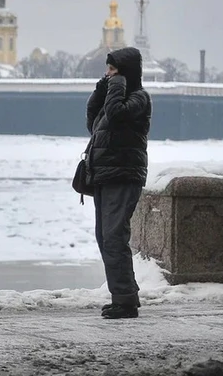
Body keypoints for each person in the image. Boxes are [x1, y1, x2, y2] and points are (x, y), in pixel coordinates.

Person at [85, 46, 152, 319]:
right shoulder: (113, 97)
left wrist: (116, 86)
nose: (108, 74)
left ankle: (124, 301)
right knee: (105, 237)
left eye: (113, 70)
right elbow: (94, 123)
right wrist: (101, 90)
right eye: (108, 70)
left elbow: (115, 115)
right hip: (105, 175)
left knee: (114, 237)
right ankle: (125, 295)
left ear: (125, 73)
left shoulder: (139, 99)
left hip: (123, 176)